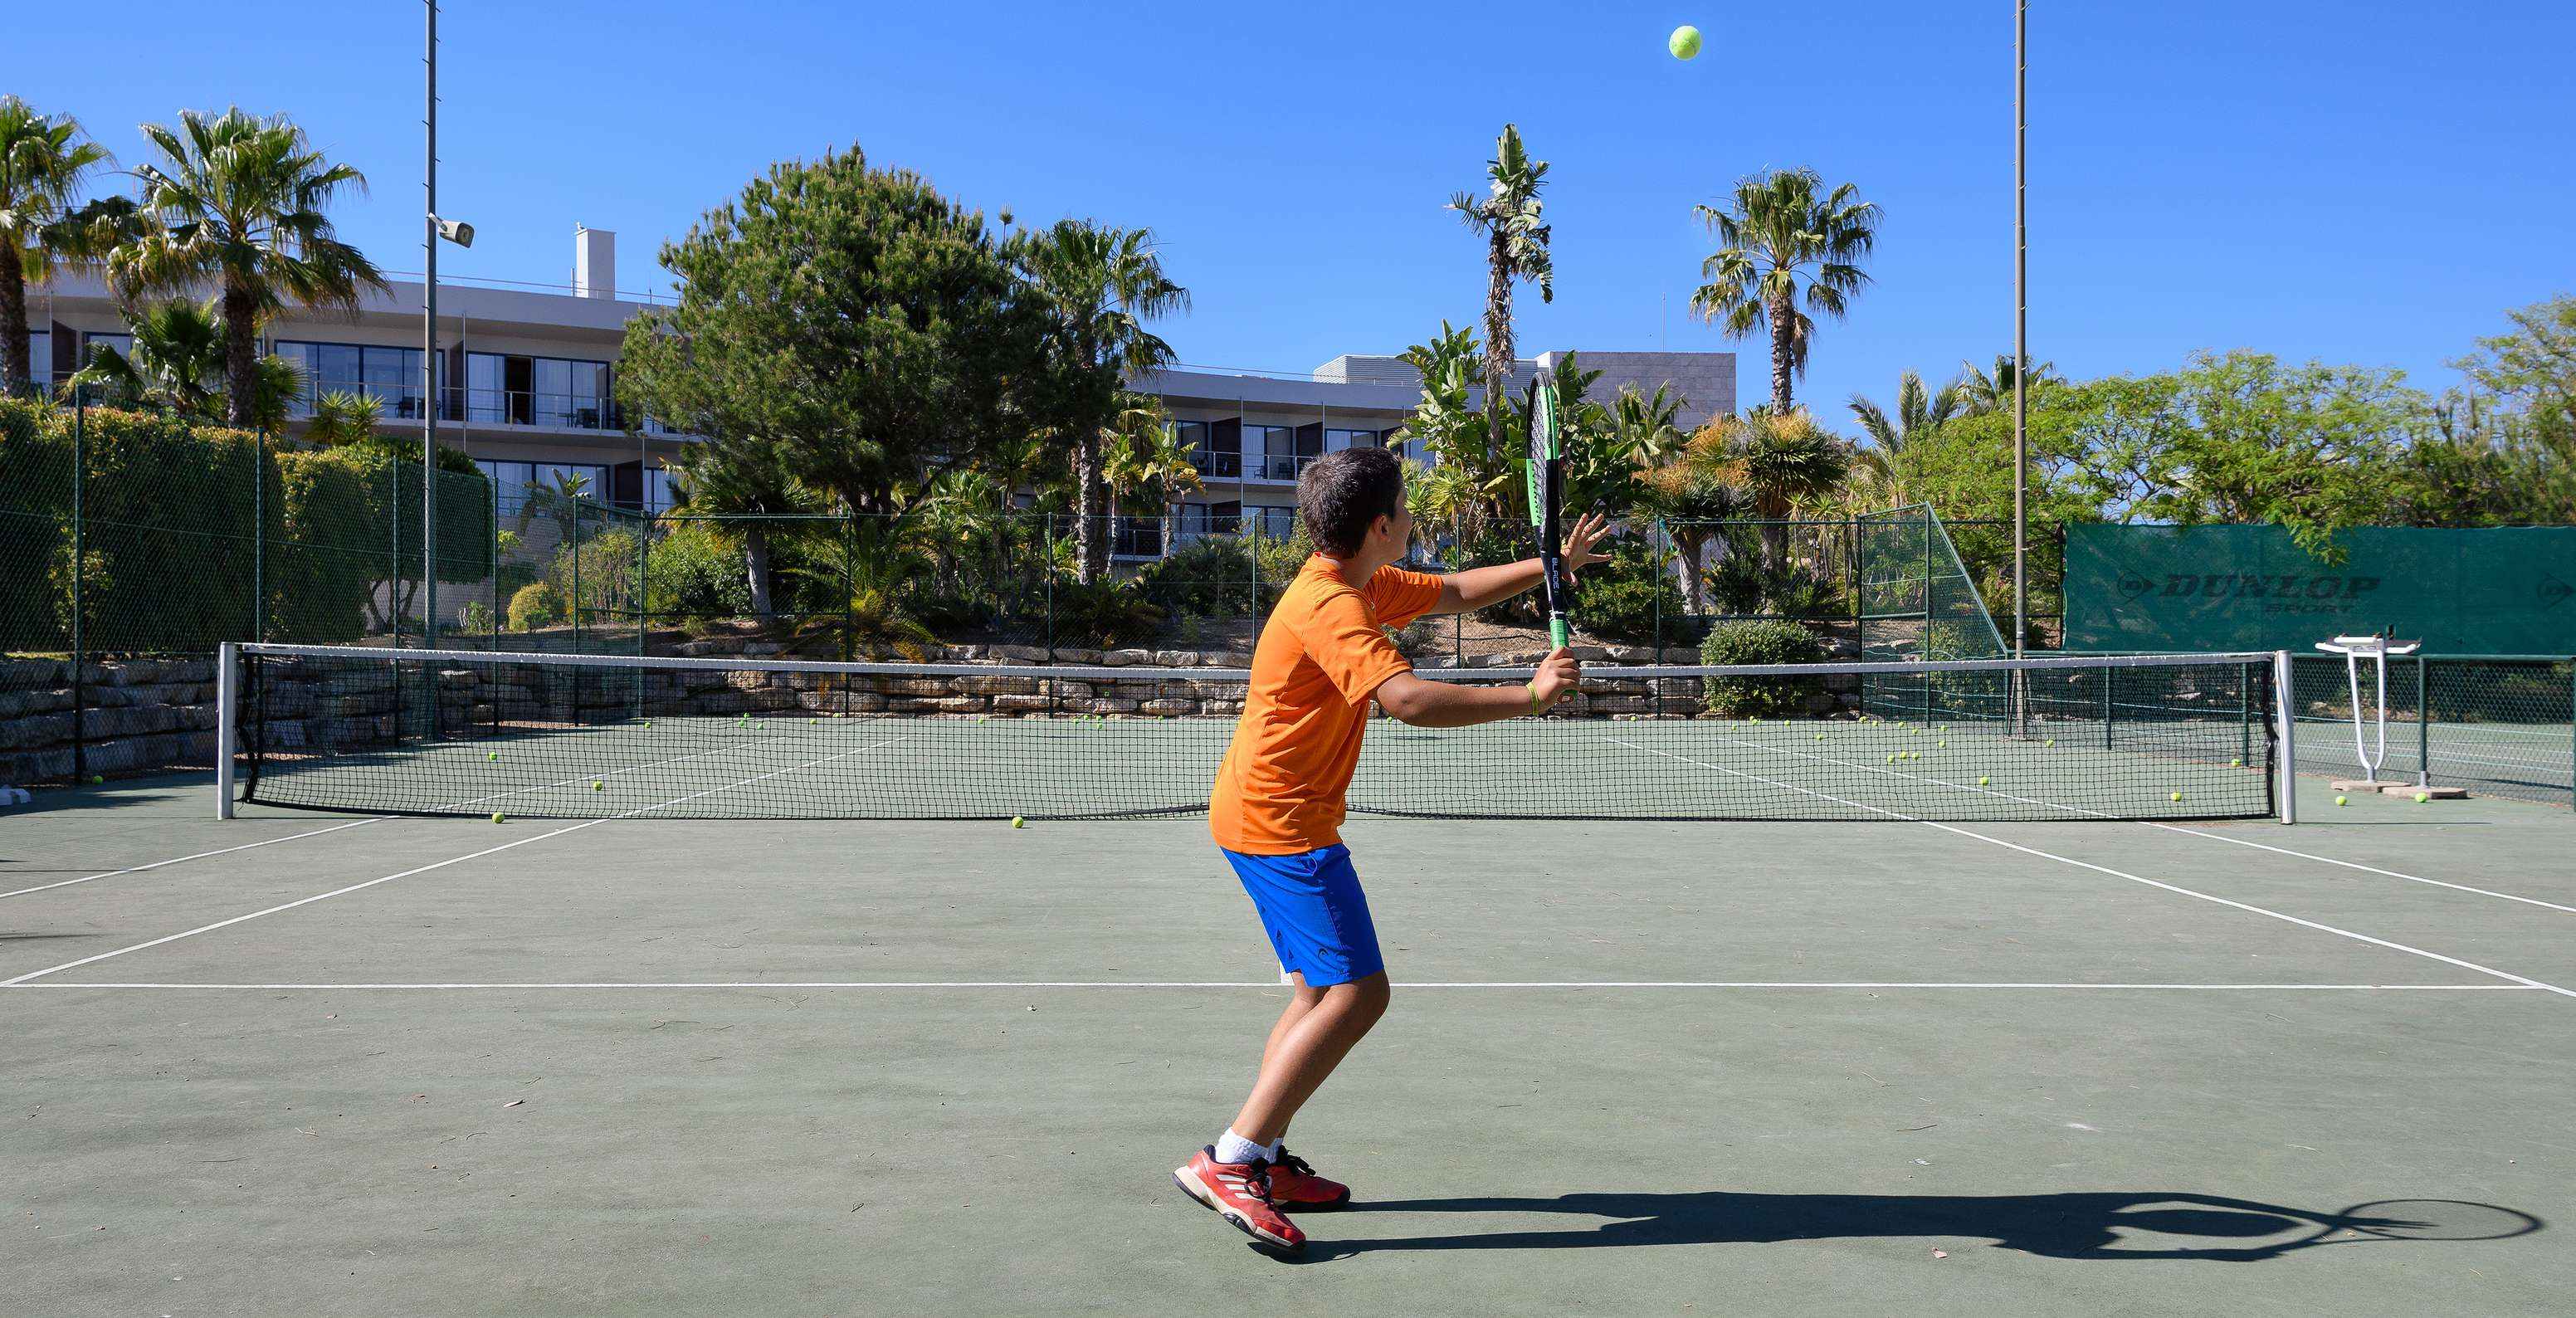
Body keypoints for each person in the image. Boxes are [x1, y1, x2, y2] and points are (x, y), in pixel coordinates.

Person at [1173, 446, 1606, 1252]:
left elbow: (1454, 590)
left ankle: (1259, 1152)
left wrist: (1547, 562)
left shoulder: (1356, 579)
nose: (1413, 518)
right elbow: (1403, 698)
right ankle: (1229, 1160)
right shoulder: (1331, 605)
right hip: (1282, 826)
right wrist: (1528, 695)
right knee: (1358, 994)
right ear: (1379, 526)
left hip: (1258, 816)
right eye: (1406, 508)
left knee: (1314, 995)